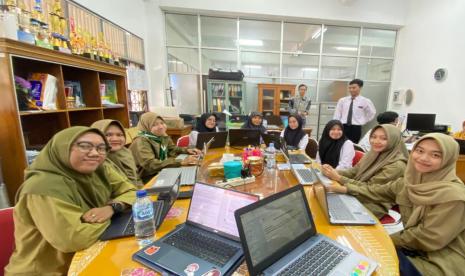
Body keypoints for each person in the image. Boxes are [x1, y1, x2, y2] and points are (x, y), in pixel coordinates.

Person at [327, 133, 465, 275]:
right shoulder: (410, 181)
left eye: (435, 155)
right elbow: (376, 190)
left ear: (449, 159)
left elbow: (426, 237)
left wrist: (380, 241)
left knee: (364, 264)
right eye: (420, 151)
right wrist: (344, 187)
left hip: (439, 261)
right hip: (412, 248)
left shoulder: (454, 196)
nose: (423, 158)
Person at [5, 127, 136, 275]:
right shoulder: (42, 187)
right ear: (62, 148)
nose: (94, 153)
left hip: (87, 257)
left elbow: (132, 192)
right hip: (47, 271)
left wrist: (112, 207)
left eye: (101, 148)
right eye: (85, 146)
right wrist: (115, 216)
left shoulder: (99, 169)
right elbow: (74, 238)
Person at [321, 124, 408, 218]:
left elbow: (370, 189)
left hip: (373, 203)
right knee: (322, 205)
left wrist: (338, 178)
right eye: (373, 137)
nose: (376, 141)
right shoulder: (372, 153)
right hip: (355, 191)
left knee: (330, 213)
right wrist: (332, 171)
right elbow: (354, 171)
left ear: (393, 140)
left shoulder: (396, 165)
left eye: (383, 138)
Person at [129, 112, 200, 182]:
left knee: (192, 175)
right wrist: (181, 162)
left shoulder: (160, 136)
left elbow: (172, 148)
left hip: (161, 170)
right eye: (154, 125)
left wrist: (187, 150)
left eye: (162, 123)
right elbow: (151, 164)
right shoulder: (141, 141)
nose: (160, 126)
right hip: (146, 177)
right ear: (146, 126)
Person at [91, 119, 143, 187]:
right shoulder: (95, 161)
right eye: (108, 135)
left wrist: (144, 191)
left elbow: (137, 178)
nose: (115, 139)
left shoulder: (125, 152)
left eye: (119, 135)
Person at [333, 79, 376, 143]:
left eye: (354, 88)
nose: (351, 90)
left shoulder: (365, 101)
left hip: (356, 127)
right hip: (342, 126)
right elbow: (337, 114)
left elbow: (372, 113)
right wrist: (336, 125)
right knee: (339, 143)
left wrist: (363, 121)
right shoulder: (342, 100)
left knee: (353, 145)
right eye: (350, 88)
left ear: (360, 87)